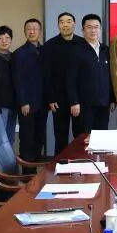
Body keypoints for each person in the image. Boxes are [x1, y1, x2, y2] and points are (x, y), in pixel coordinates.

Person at [43, 12, 84, 154]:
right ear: (58, 25)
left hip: (79, 98)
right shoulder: (49, 45)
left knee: (80, 136)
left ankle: (81, 163)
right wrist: (50, 98)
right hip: (58, 99)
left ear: (74, 24)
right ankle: (60, 165)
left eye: (68, 21)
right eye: (62, 22)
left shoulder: (82, 43)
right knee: (60, 137)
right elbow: (46, 75)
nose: (65, 24)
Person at [67, 14, 112, 132]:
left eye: (96, 27)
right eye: (89, 27)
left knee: (101, 138)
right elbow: (70, 79)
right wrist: (74, 102)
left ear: (100, 29)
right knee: (83, 138)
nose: (93, 30)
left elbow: (110, 77)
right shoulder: (75, 51)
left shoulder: (106, 50)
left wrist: (112, 99)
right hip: (84, 105)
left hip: (103, 104)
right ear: (83, 30)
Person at [12, 18, 47, 163]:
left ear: (40, 31)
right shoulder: (19, 53)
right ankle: (27, 171)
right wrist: (23, 102)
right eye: (29, 29)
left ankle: (37, 169)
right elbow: (18, 80)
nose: (32, 31)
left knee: (40, 136)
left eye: (35, 29)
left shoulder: (45, 51)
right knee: (27, 138)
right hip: (27, 104)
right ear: (24, 31)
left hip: (43, 103)